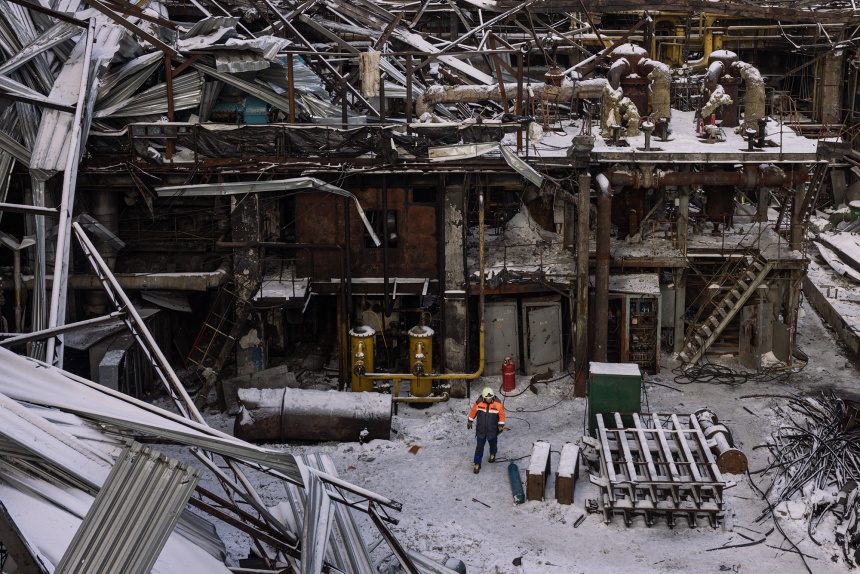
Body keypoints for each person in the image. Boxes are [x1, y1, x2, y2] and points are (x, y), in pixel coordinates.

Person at [467, 387, 505, 473]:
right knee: (479, 447)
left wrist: (501, 425)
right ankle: (477, 463)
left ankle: (493, 453)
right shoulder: (478, 403)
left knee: (493, 443)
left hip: (492, 430)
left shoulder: (498, 404)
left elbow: (501, 416)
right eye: (487, 398)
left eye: (490, 398)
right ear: (484, 397)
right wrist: (470, 420)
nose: (489, 399)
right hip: (481, 430)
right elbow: (473, 411)